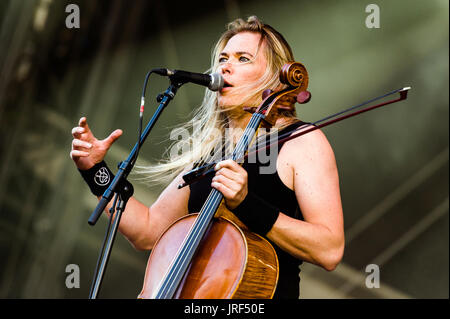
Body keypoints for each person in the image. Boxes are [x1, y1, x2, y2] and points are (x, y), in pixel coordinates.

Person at [70, 16, 344, 299]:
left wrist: (247, 203)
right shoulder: (211, 155)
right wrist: (95, 171)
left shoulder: (301, 141)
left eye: (243, 58)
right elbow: (148, 230)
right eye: (223, 58)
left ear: (274, 78)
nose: (225, 66)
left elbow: (329, 249)